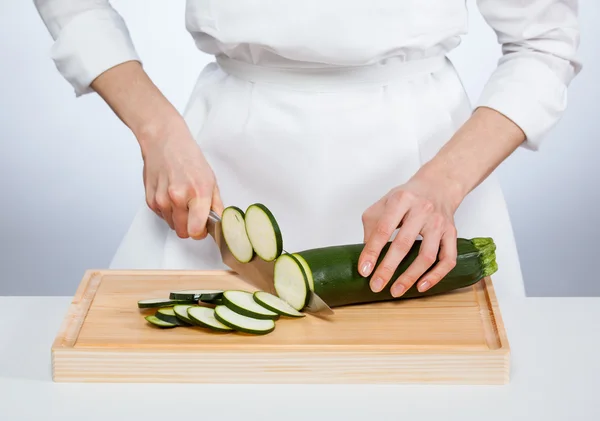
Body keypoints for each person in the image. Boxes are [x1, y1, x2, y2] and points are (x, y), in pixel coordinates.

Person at [33, 1, 580, 302]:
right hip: (223, 161)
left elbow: (543, 40)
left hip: (427, 163)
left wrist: (443, 184)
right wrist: (157, 130)